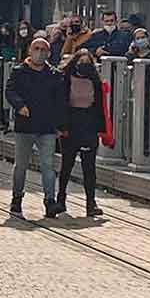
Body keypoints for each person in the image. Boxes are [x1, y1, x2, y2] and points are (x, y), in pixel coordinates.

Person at [5, 37, 66, 218]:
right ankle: (17, 198)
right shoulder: (19, 71)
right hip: (25, 126)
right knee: (21, 165)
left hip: (46, 126)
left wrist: (60, 125)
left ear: (48, 54)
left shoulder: (53, 75)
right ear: (30, 51)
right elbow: (10, 91)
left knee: (48, 165)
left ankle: (49, 201)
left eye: (43, 50)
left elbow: (59, 102)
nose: (40, 53)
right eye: (36, 48)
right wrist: (20, 106)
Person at [56, 50, 106, 217]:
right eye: (81, 64)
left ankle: (91, 203)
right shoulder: (65, 78)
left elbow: (99, 107)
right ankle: (61, 199)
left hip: (88, 127)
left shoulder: (95, 81)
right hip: (70, 126)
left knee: (89, 167)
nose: (84, 67)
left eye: (87, 64)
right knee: (67, 165)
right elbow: (61, 103)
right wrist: (61, 126)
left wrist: (101, 129)